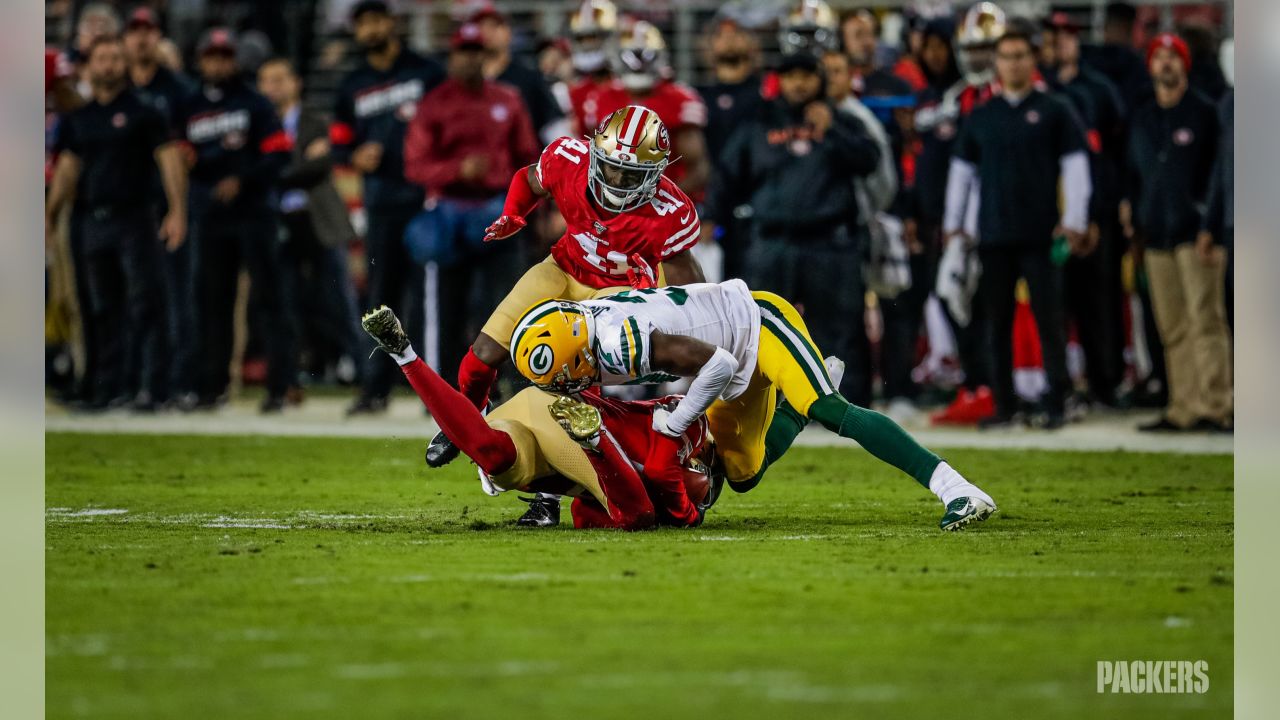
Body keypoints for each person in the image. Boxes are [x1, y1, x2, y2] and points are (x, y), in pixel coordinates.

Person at [509, 282, 998, 532]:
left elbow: (717, 364)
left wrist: (677, 423)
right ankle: (796, 408)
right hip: (728, 349)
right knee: (740, 474)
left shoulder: (618, 344)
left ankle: (959, 489)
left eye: (563, 374)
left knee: (832, 409)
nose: (567, 384)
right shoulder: (591, 323)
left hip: (757, 325)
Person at [425, 106, 706, 526]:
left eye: (630, 176)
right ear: (595, 154)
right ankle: (461, 422)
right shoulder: (567, 159)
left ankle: (547, 497)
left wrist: (685, 329)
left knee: (566, 387)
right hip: (563, 270)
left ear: (655, 175)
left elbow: (689, 289)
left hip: (619, 294)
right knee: (483, 352)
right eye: (610, 168)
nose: (615, 182)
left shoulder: (671, 211)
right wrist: (515, 213)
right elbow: (528, 179)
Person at [361, 305, 716, 530]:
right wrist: (685, 509)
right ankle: (453, 417)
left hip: (559, 430)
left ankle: (404, 354)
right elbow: (659, 474)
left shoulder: (668, 468)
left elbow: (587, 513)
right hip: (572, 417)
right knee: (637, 514)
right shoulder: (689, 432)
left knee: (494, 455)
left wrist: (682, 509)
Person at [705, 51, 881, 406]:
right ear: (779, 80)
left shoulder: (843, 119)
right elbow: (726, 176)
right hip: (771, 241)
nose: (799, 83)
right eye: (790, 75)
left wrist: (831, 130)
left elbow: (870, 161)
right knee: (759, 329)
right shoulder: (757, 122)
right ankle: (756, 407)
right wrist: (711, 217)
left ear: (819, 78)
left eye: (806, 75)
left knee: (840, 330)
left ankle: (847, 409)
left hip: (830, 241)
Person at [943, 29, 1092, 430]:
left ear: (1033, 59)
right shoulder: (982, 116)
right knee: (997, 324)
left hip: (1042, 234)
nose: (1013, 63)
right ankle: (1005, 405)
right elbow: (962, 173)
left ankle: (1059, 399)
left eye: (1020, 55)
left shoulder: (1055, 109)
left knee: (1049, 319)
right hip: (993, 236)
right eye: (1006, 56)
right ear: (997, 62)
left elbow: (1076, 167)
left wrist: (1074, 220)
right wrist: (953, 226)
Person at [45, 35, 187, 411]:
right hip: (93, 219)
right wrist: (49, 212)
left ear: (124, 65)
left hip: (135, 216)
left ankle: (152, 387)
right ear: (89, 67)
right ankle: (107, 387)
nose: (108, 64)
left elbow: (169, 158)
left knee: (144, 303)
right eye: (101, 58)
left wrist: (177, 210)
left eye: (114, 58)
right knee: (100, 307)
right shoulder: (80, 118)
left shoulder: (145, 111)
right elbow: (68, 168)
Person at [401, 23, 540, 375]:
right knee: (446, 305)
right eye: (463, 51)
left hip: (498, 209)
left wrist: (535, 207)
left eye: (476, 51)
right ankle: (443, 386)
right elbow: (415, 165)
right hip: (448, 209)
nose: (470, 59)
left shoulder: (507, 99)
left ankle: (510, 384)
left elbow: (529, 158)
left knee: (507, 304)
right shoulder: (434, 104)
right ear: (452, 57)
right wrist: (457, 170)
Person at [330, 0, 445, 415]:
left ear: (392, 24)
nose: (370, 29)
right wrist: (354, 155)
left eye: (376, 20)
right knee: (381, 300)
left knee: (429, 299)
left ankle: (437, 396)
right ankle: (375, 389)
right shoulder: (352, 83)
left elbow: (447, 125)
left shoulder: (426, 72)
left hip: (425, 201)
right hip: (381, 205)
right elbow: (339, 140)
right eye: (363, 23)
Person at [177, 28, 294, 411]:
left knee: (268, 300)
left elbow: (278, 155)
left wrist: (242, 180)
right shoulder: (189, 105)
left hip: (253, 214)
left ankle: (279, 386)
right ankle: (210, 386)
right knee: (211, 302)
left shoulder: (255, 104)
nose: (218, 64)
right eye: (211, 57)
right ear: (201, 61)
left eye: (224, 57)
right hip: (210, 218)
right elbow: (175, 159)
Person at [1123, 33, 1231, 433]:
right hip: (1156, 235)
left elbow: (1219, 176)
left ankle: (1216, 405)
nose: (1165, 63)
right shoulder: (1144, 117)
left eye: (1173, 57)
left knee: (1206, 319)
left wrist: (1211, 224)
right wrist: (1131, 214)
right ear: (1150, 65)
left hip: (1196, 234)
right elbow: (1134, 174)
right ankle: (1183, 407)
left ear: (1185, 64)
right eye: (1159, 57)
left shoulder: (1204, 112)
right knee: (1171, 326)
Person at [912, 3, 1008, 425]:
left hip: (1003, 218)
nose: (980, 56)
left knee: (992, 305)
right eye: (973, 47)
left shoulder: (1007, 99)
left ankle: (1000, 389)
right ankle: (978, 386)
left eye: (988, 47)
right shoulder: (953, 99)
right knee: (957, 299)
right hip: (955, 221)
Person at [257, 57, 362, 396]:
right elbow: (305, 163)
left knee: (340, 299)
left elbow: (319, 164)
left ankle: (364, 372)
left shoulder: (316, 119)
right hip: (280, 222)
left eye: (279, 79)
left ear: (295, 82)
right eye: (267, 81)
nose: (273, 87)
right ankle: (292, 375)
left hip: (319, 220)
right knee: (286, 302)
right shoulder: (260, 122)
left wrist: (276, 173)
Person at [1041, 12, 1127, 408]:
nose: (1059, 43)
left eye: (1066, 35)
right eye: (1052, 36)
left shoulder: (1099, 90)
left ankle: (1105, 383)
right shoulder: (1040, 88)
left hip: (1094, 213)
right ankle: (1062, 386)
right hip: (1046, 218)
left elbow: (1113, 153)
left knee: (1098, 301)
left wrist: (1098, 211)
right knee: (1055, 305)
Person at [123, 5, 199, 408]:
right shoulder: (118, 88)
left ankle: (179, 381)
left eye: (147, 30)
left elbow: (192, 145)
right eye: (134, 30)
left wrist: (179, 207)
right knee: (136, 299)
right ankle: (134, 380)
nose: (141, 38)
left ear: (157, 36)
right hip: (128, 208)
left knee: (176, 296)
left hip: (169, 205)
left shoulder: (180, 90)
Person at [583, 20, 710, 200]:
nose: (639, 62)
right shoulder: (600, 99)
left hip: (665, 201)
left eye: (645, 55)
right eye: (633, 55)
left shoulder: (679, 99)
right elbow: (589, 158)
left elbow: (697, 167)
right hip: (610, 200)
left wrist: (660, 200)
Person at [695, 14, 765, 281]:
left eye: (736, 33)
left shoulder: (767, 95)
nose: (729, 39)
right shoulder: (697, 97)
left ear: (753, 45)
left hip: (758, 203)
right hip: (711, 207)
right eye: (720, 34)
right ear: (708, 47)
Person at [470, 3, 570, 144]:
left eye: (494, 26)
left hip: (523, 163)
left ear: (508, 32)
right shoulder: (463, 82)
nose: (487, 32)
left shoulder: (529, 78)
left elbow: (554, 128)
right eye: (481, 27)